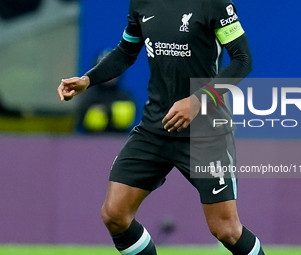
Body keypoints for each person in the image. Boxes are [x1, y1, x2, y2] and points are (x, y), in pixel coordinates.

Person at [57, 0, 265, 254]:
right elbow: (126, 51)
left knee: (227, 231)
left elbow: (243, 60)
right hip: (156, 128)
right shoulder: (141, 3)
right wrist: (88, 79)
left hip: (206, 134)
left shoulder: (214, 3)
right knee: (115, 214)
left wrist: (198, 99)